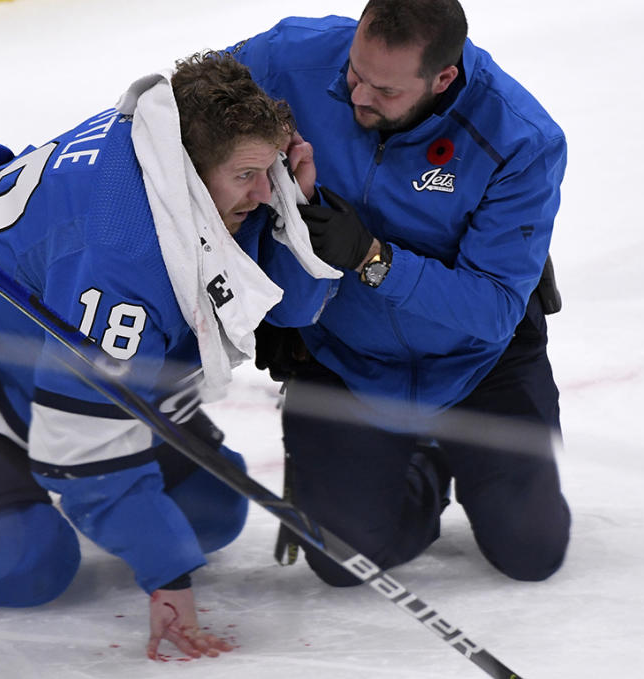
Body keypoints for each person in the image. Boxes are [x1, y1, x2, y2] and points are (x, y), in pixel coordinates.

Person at [0, 50, 342, 660]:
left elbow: (287, 308)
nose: (264, 187)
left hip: (59, 348)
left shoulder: (178, 143)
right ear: (192, 174)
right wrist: (167, 578)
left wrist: (297, 208)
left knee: (211, 515)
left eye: (269, 169)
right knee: (22, 567)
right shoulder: (124, 258)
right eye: (249, 175)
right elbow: (84, 450)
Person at [230, 0, 572, 587]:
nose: (359, 96)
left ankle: (441, 446)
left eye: (385, 91)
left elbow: (491, 311)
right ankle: (419, 468)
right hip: (342, 352)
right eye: (354, 73)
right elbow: (182, 108)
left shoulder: (520, 138)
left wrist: (371, 258)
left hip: (477, 359)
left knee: (531, 551)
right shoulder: (287, 59)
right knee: (343, 561)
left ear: (444, 78)